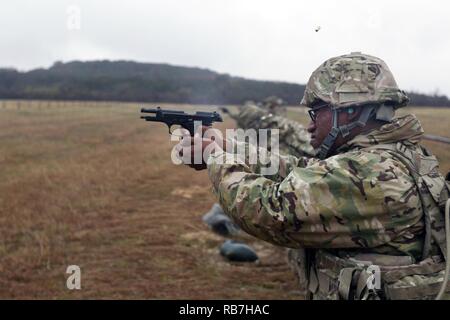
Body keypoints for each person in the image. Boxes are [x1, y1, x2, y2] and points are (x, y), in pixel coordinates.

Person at [178, 52, 450, 299]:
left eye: (317, 112)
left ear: (350, 111)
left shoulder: (370, 172)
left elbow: (270, 212)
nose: (309, 125)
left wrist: (215, 158)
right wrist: (229, 148)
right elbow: (302, 169)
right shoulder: (389, 156)